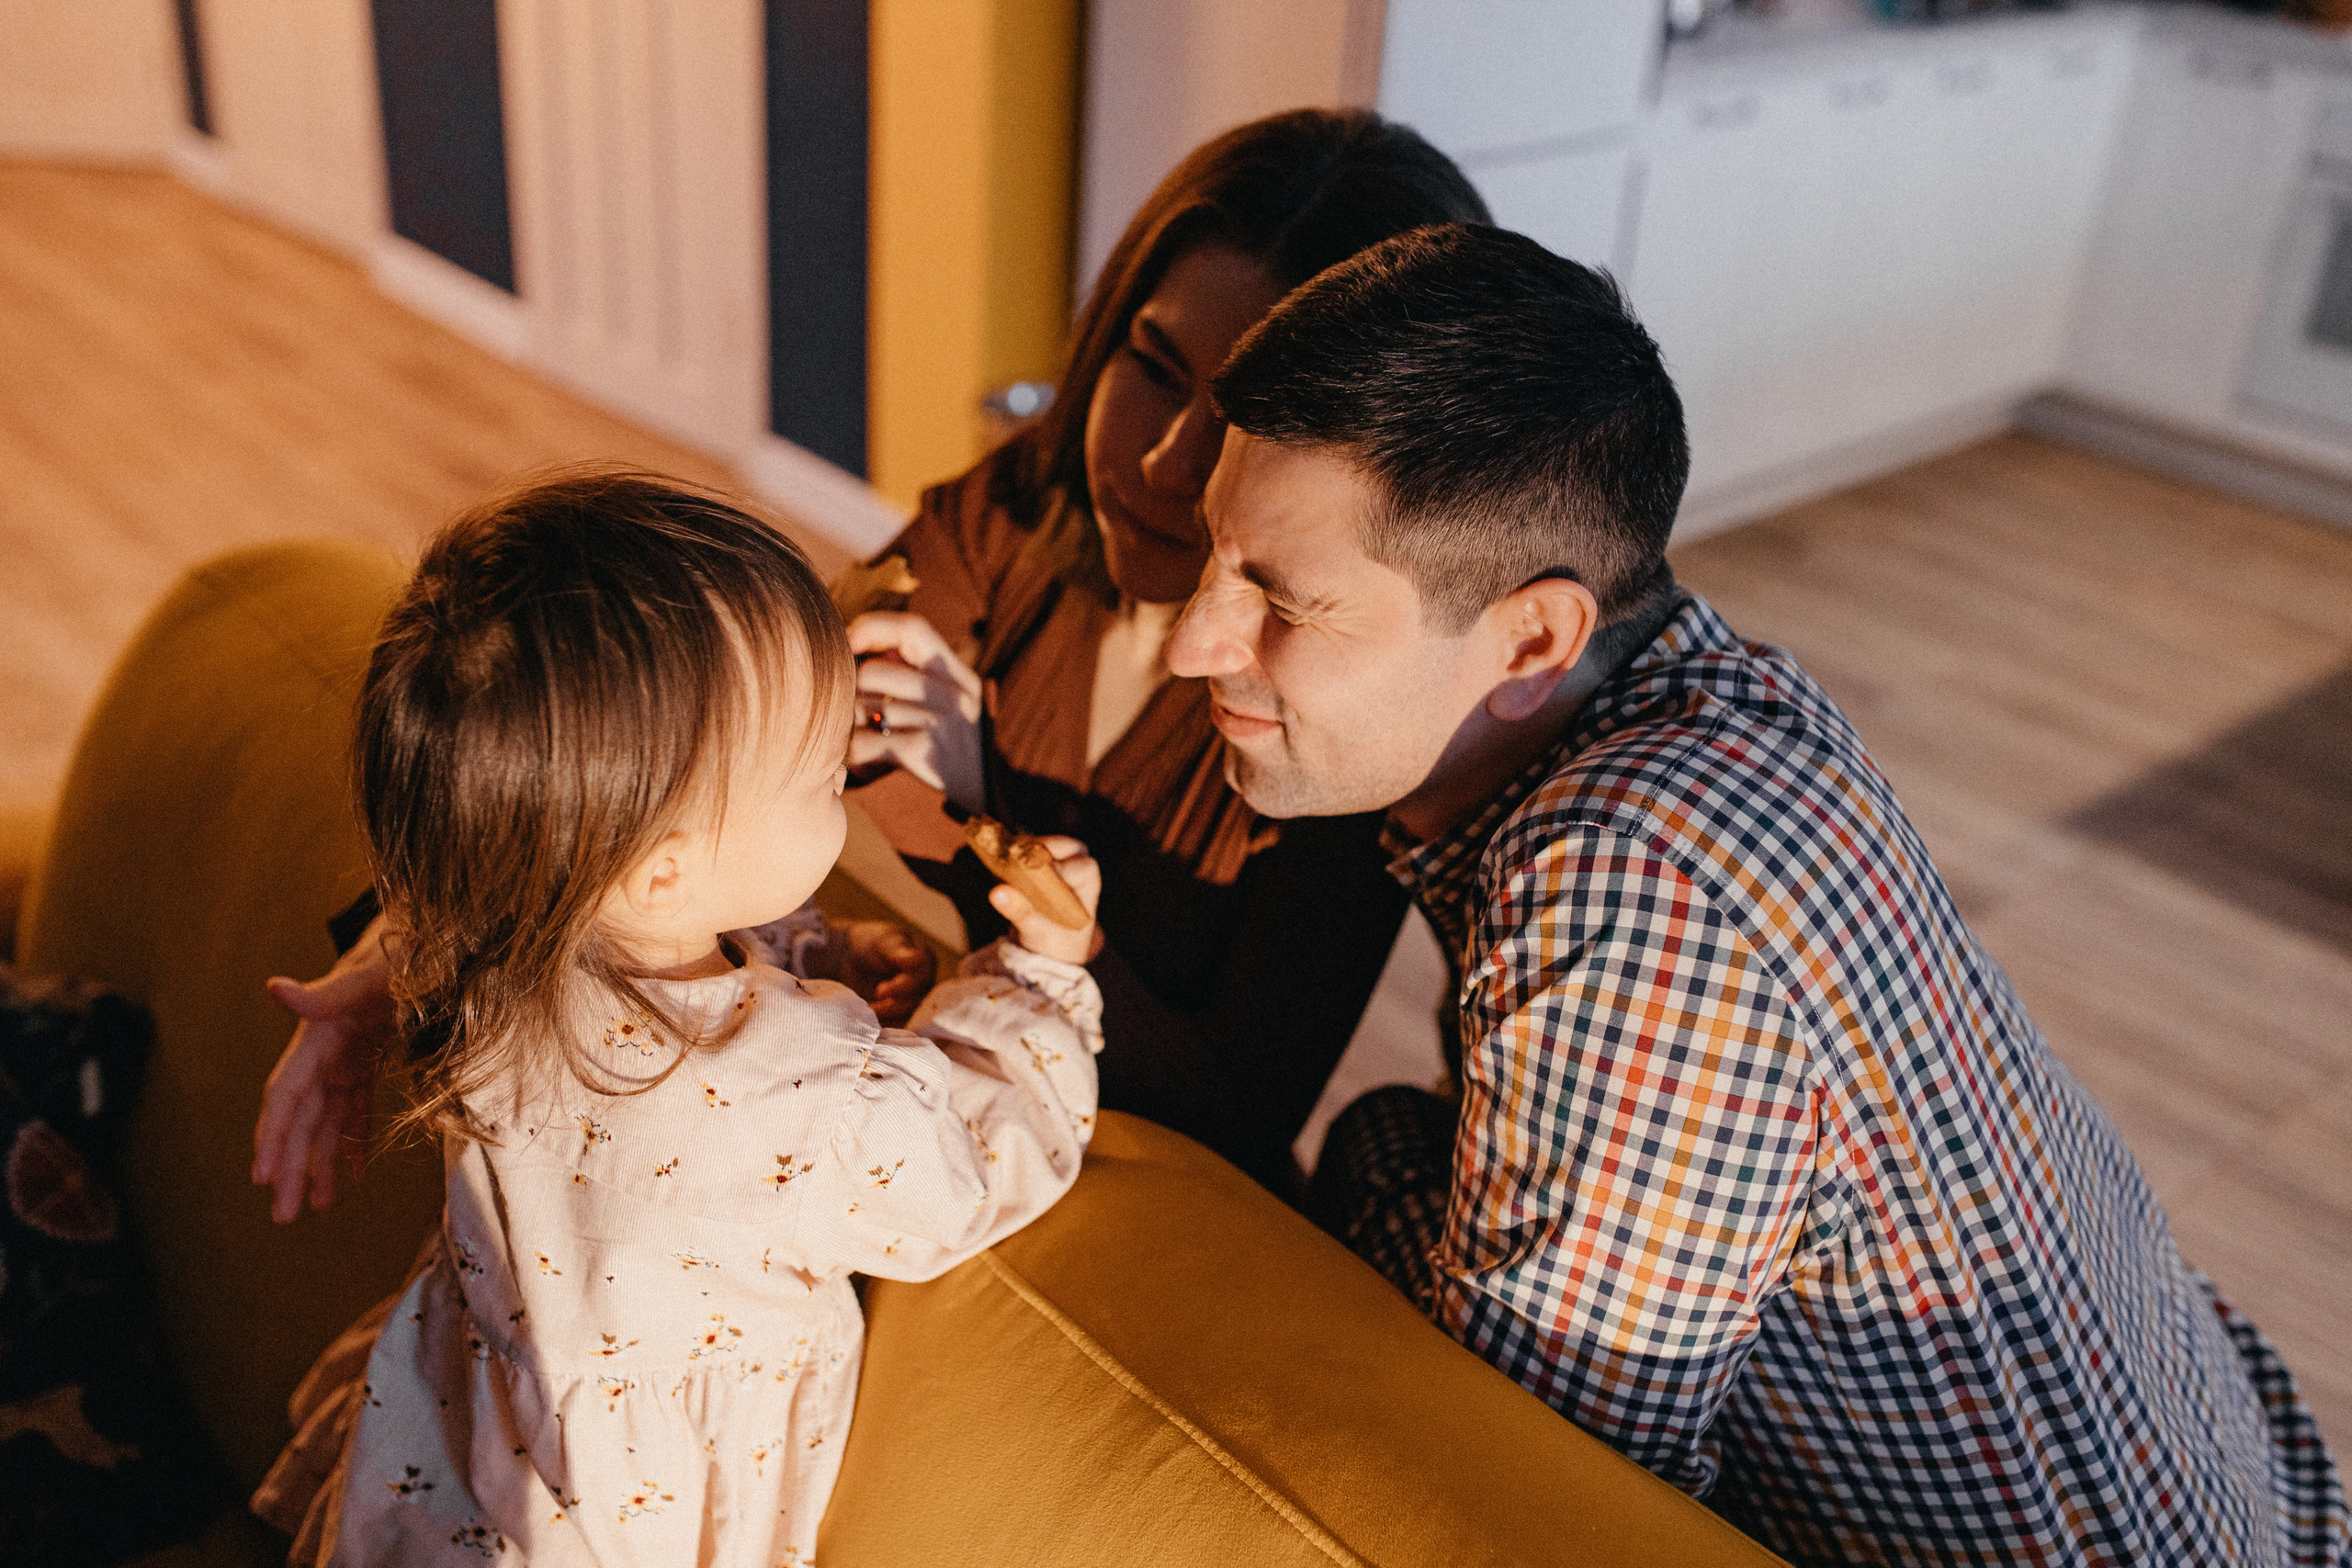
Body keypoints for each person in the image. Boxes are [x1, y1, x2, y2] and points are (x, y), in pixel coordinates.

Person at [1163, 224, 2346, 1565]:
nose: (1193, 636)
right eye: (1215, 554)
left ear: (1534, 636)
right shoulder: (1721, 684)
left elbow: (1531, 1488)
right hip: (2244, 1487)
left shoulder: (1633, 896)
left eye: (1280, 598)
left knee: (1384, 1141)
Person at [248, 470, 1104, 1567]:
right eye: (818, 777)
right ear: (661, 876)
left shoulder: (489, 955)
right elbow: (977, 1160)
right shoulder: (800, 1094)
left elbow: (670, 979)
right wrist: (1037, 975)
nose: (839, 788)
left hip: (449, 1471)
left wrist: (828, 952)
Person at [839, 108, 1489, 1193]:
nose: (1160, 461)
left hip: (1158, 1189)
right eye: (1151, 365)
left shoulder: (1356, 729)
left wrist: (984, 827)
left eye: (1245, 422)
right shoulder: (1019, 501)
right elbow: (821, 686)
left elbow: (1232, 1115)